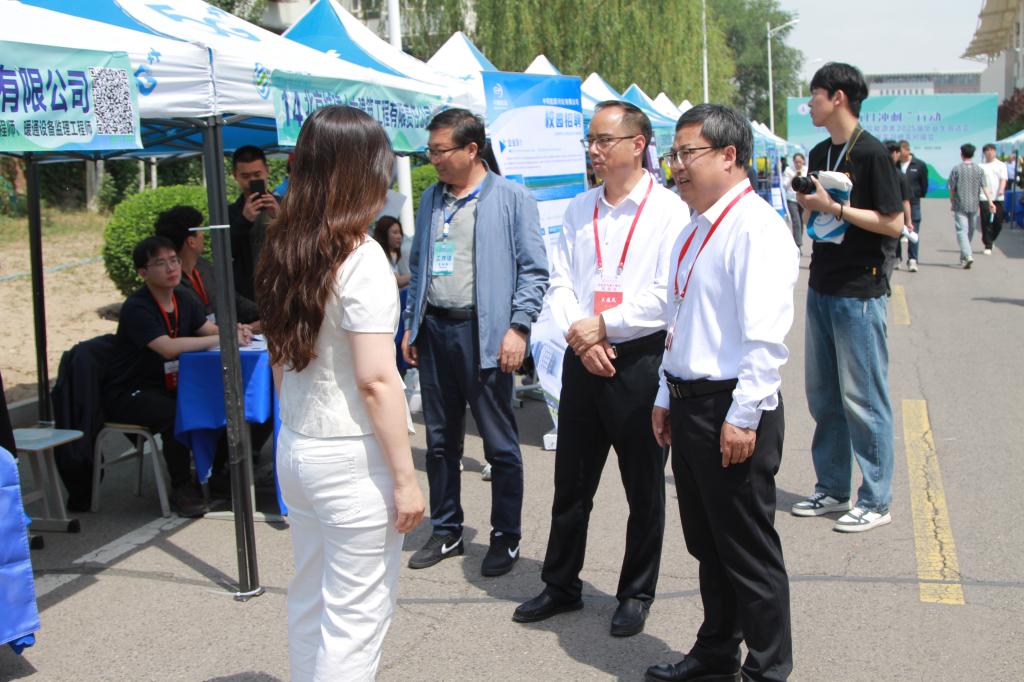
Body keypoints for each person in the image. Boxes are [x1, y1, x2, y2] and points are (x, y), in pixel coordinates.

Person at [255, 105, 426, 681]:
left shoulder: (285, 245)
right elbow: (376, 380)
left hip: (299, 443)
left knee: (311, 597)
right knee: (356, 616)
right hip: (351, 454)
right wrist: (405, 478)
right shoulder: (362, 255)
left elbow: (280, 358)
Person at [512, 101, 686, 637]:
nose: (594, 149)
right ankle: (560, 583)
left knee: (643, 489)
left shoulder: (669, 211)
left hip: (640, 361)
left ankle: (635, 593)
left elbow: (665, 295)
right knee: (572, 483)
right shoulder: (579, 208)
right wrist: (582, 334)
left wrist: (603, 326)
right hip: (583, 356)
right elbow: (561, 281)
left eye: (604, 139)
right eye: (590, 140)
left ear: (638, 144)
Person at [644, 103, 797, 682]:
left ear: (730, 156)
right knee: (709, 544)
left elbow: (764, 339)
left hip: (732, 405)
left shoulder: (755, 228)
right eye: (674, 155)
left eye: (689, 153)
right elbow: (679, 322)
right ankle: (715, 653)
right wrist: (666, 396)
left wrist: (743, 416)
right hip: (691, 403)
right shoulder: (693, 229)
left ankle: (768, 669)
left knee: (748, 550)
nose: (677, 166)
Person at [401, 108, 549, 577]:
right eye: (430, 151)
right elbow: (421, 266)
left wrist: (518, 327)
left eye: (440, 151)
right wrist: (411, 324)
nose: (433, 159)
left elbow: (534, 271)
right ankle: (447, 530)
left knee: (499, 444)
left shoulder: (511, 198)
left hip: (484, 334)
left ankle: (506, 535)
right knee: (439, 442)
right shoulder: (432, 198)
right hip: (434, 331)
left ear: (471, 149)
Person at [792, 63, 904, 533]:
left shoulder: (873, 153)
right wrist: (810, 203)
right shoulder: (821, 151)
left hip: (860, 289)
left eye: (814, 95)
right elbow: (818, 214)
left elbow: (894, 224)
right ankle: (833, 487)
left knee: (864, 399)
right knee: (824, 397)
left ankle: (876, 499)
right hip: (822, 284)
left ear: (837, 97)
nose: (809, 104)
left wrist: (835, 207)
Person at [104, 236, 252, 517]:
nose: (171, 268)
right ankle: (182, 486)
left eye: (174, 260)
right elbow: (168, 348)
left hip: (173, 385)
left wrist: (235, 330)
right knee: (175, 414)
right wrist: (223, 338)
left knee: (224, 402)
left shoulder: (183, 298)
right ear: (143, 273)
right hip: (131, 391)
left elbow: (208, 329)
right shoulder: (137, 307)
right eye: (160, 263)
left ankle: (216, 473)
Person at [154, 205, 261, 327]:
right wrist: (243, 330)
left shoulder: (204, 267)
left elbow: (235, 301)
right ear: (191, 242)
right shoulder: (170, 284)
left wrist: (268, 314)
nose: (203, 235)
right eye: (200, 230)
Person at [229, 145, 280, 301]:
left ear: (267, 171)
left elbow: (302, 244)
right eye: (245, 176)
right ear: (235, 176)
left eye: (257, 174)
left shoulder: (287, 205)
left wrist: (281, 218)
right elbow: (226, 252)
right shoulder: (230, 213)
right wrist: (244, 220)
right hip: (248, 295)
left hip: (282, 288)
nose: (252, 181)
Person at [947, 144, 992, 269]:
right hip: (974, 205)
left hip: (960, 205)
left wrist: (952, 200)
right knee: (969, 231)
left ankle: (966, 255)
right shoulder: (979, 170)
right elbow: (985, 187)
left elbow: (952, 187)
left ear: (962, 154)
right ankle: (966, 255)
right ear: (973, 154)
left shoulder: (956, 169)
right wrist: (990, 201)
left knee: (962, 231)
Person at [898, 140, 928, 271]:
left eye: (901, 151)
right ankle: (897, 258)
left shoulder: (919, 165)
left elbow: (924, 184)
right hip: (897, 202)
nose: (899, 154)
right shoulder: (895, 164)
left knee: (913, 230)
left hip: (914, 202)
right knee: (896, 230)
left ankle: (912, 259)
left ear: (907, 150)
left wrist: (917, 194)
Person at [885, 140, 915, 273]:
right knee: (889, 252)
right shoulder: (899, 175)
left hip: (875, 218)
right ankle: (885, 281)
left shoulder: (874, 172)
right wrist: (908, 222)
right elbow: (905, 201)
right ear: (895, 154)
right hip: (894, 217)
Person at [979, 143, 1007, 255]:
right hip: (984, 197)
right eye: (987, 150)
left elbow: (1003, 179)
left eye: (992, 150)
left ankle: (990, 239)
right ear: (984, 153)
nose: (990, 152)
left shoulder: (1001, 165)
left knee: (998, 222)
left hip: (998, 197)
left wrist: (1001, 189)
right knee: (986, 221)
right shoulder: (981, 166)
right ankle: (988, 245)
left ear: (995, 152)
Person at [372, 215, 411, 289]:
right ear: (384, 234)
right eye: (395, 233)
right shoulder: (379, 255)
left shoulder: (393, 255)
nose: (399, 236)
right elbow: (397, 281)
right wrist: (419, 273)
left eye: (400, 232)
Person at [782, 152, 806, 248]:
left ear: (803, 161)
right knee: (796, 222)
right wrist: (793, 177)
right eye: (796, 162)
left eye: (800, 162)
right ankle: (798, 245)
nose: (798, 164)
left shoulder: (806, 170)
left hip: (803, 199)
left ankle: (798, 241)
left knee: (801, 221)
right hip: (792, 199)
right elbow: (784, 185)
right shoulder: (788, 170)